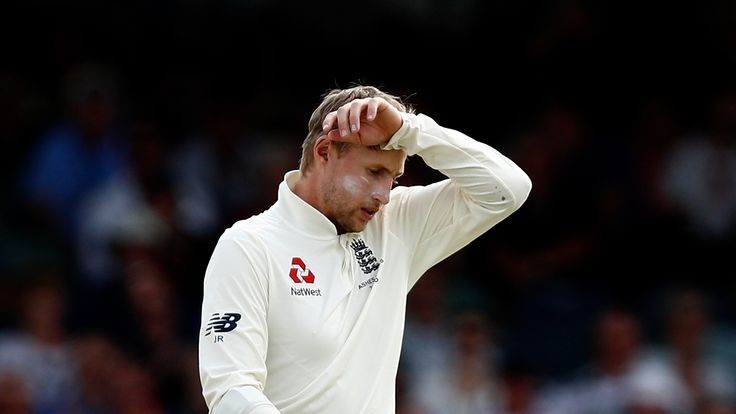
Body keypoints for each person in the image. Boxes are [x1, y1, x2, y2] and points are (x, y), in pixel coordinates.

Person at [198, 85, 532, 414]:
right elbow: (230, 391)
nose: (384, 195)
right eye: (374, 172)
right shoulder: (247, 246)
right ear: (325, 151)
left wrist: (411, 129)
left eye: (393, 179)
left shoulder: (396, 223)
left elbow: (508, 189)